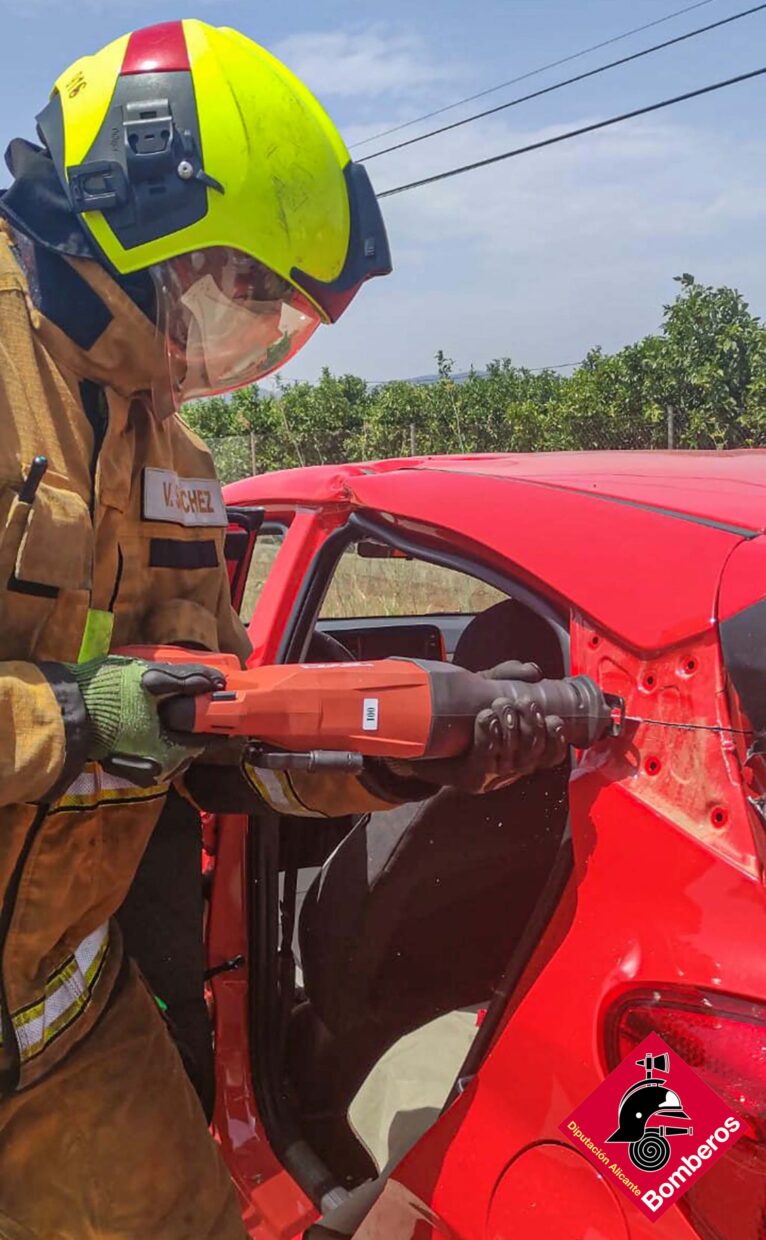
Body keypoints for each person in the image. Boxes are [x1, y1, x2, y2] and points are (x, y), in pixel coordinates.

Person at [0, 19, 566, 1239]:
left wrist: (390, 755)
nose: (243, 346)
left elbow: (212, 727)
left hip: (63, 1038)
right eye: (240, 293)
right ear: (138, 210)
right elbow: (124, 712)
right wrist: (77, 716)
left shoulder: (178, 459)